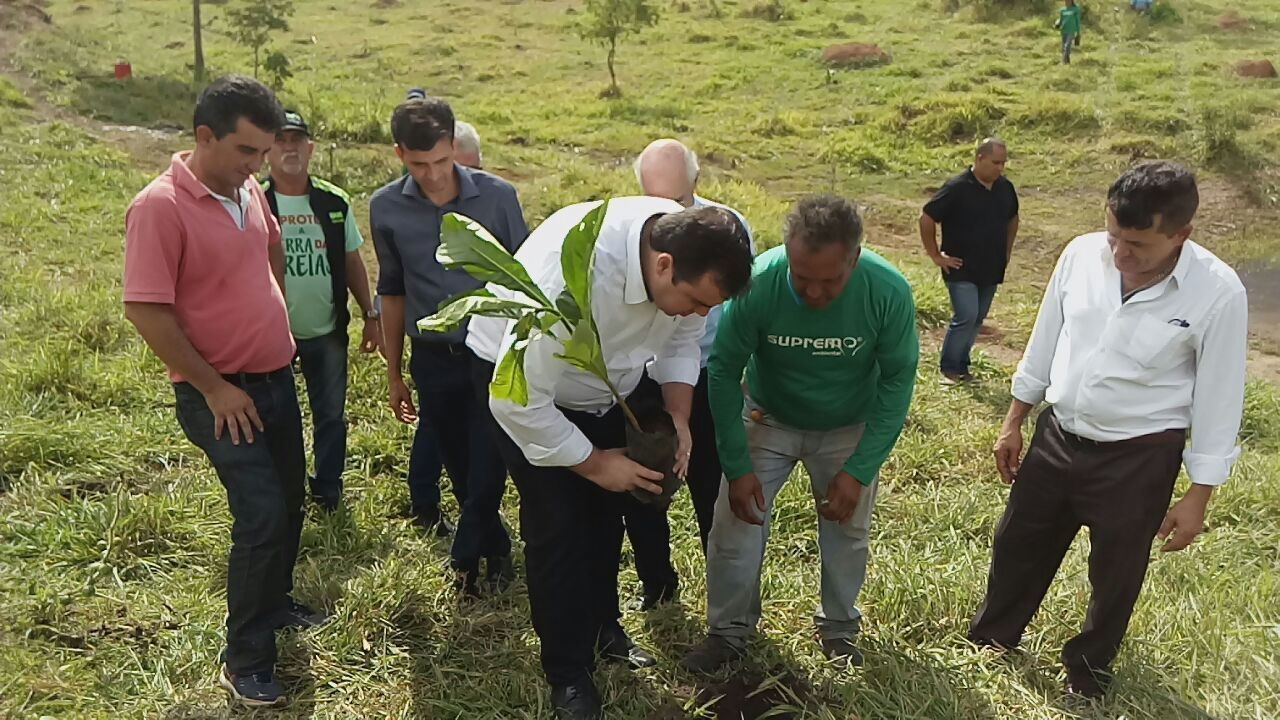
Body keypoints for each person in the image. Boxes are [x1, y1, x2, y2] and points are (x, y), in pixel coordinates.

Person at [968, 161, 1248, 702]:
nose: (1120, 253)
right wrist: (1014, 421)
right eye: (1114, 235)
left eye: (1138, 245)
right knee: (1017, 543)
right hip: (1059, 434)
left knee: (1116, 572)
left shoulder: (1217, 292)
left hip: (1139, 456)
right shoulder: (1080, 254)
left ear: (1181, 235)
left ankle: (1087, 674)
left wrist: (1199, 495)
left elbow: (1220, 396)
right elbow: (1046, 338)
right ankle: (993, 638)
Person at [467, 198, 753, 719]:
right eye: (694, 300)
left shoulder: (685, 253)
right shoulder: (570, 280)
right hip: (527, 390)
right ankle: (568, 672)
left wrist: (680, 415)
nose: (699, 314)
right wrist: (597, 463)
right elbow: (516, 400)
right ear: (662, 265)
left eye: (710, 306)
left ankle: (604, 630)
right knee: (558, 527)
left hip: (603, 387)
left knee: (605, 519)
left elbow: (684, 338)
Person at [123, 75, 321, 708]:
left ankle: (277, 603)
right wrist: (213, 387)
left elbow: (270, 253)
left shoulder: (247, 194)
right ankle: (246, 658)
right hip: (220, 396)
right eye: (246, 152)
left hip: (274, 378)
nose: (257, 165)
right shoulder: (160, 208)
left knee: (290, 502)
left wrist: (272, 318)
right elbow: (146, 311)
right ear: (204, 137)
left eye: (263, 153)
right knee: (261, 515)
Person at [681, 196, 919, 674]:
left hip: (848, 425)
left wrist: (859, 470)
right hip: (768, 419)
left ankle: (838, 630)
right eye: (801, 276)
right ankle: (729, 631)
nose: (812, 292)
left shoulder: (887, 291)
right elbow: (724, 371)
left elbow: (897, 384)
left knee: (848, 529)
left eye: (829, 280)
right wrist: (737, 464)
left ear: (853, 258)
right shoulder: (759, 283)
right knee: (735, 523)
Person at [370, 97, 529, 598]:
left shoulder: (498, 198)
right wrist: (394, 372)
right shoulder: (386, 208)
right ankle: (497, 549)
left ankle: (464, 559)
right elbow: (391, 291)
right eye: (420, 166)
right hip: (432, 356)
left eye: (441, 161)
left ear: (454, 146)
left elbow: (525, 278)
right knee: (460, 465)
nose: (434, 175)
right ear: (400, 155)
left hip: (491, 353)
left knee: (490, 458)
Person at [623, 138, 756, 611]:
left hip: (708, 375)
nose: (665, 218)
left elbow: (743, 315)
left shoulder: (729, 230)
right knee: (642, 485)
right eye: (653, 201)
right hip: (639, 376)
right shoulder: (627, 237)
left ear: (697, 185)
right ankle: (657, 585)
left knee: (712, 484)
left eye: (676, 202)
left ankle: (725, 592)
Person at [262, 109, 380, 512]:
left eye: (297, 140)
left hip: (328, 330)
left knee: (330, 415)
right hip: (272, 336)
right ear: (267, 150)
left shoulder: (333, 201)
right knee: (280, 418)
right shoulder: (255, 203)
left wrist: (371, 313)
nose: (289, 147)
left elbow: (351, 261)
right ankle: (287, 491)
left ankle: (328, 489)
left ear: (310, 148)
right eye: (280, 139)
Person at [920, 138, 1019, 384]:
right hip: (960, 267)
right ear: (980, 159)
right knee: (966, 314)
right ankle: (949, 368)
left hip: (991, 267)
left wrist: (1006, 252)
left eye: (1003, 163)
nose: (1000, 168)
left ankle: (962, 367)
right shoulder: (957, 188)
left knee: (976, 319)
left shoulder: (1005, 188)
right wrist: (935, 255)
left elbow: (1013, 218)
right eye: (995, 162)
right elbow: (927, 217)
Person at [1055, 0, 1083, 64]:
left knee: (1067, 46)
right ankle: (1067, 61)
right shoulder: (1062, 10)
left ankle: (1063, 61)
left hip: (1071, 30)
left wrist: (1078, 32)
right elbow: (1061, 20)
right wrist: (1057, 24)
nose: (1067, 2)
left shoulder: (1075, 10)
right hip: (1064, 30)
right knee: (1064, 46)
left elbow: (1077, 21)